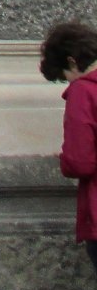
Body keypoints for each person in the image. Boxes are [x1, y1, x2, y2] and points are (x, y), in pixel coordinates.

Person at [41, 21, 97, 276]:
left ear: (73, 62)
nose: (69, 81)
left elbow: (81, 161)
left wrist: (65, 159)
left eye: (66, 75)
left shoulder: (84, 91)